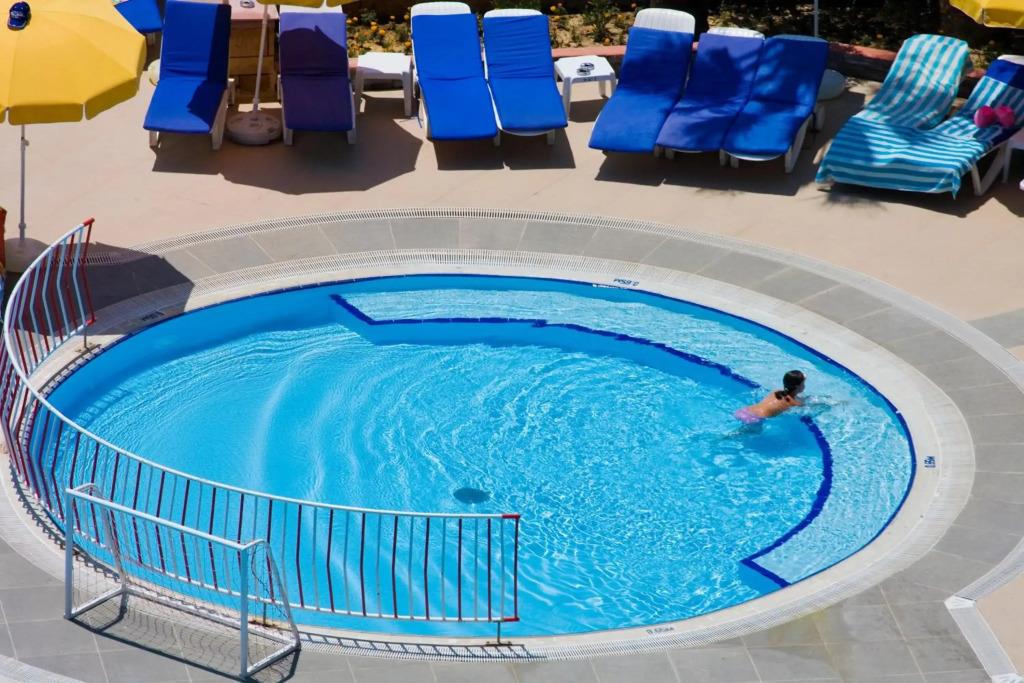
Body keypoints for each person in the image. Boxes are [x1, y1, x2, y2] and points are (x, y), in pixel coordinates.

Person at [734, 370, 805, 426]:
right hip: (755, 418)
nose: (804, 386)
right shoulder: (794, 403)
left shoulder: (776, 392)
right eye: (803, 383)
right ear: (797, 386)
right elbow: (805, 406)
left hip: (745, 410)